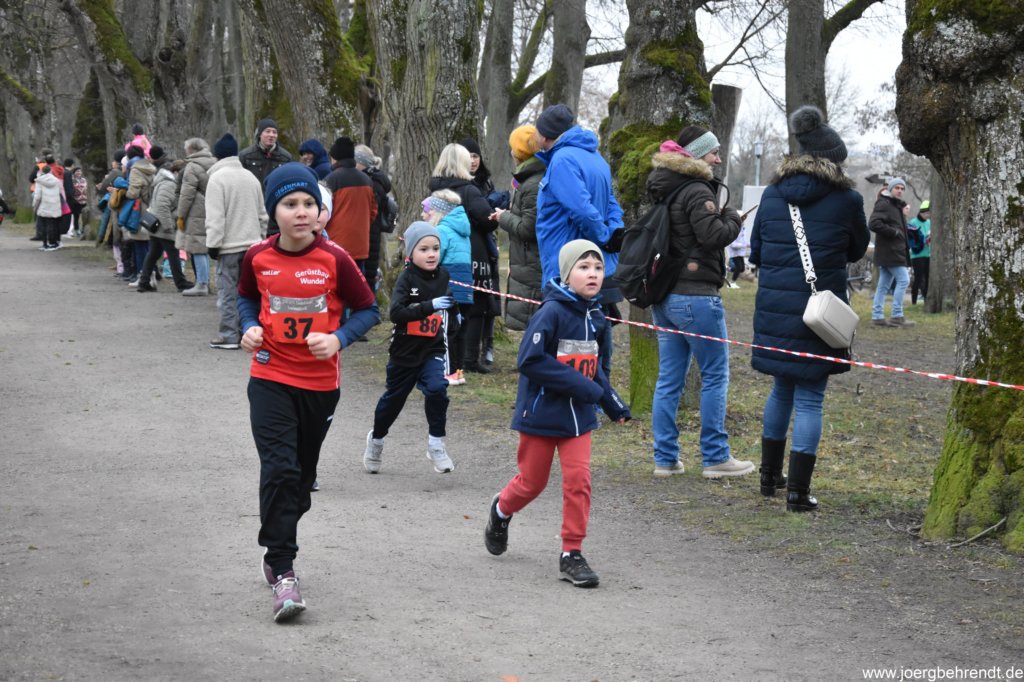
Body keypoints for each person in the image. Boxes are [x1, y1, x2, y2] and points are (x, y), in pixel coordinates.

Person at [237, 163, 379, 622]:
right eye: (290, 204)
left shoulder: (335, 259)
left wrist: (338, 339)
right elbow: (246, 298)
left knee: (299, 483)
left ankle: (277, 542)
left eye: (309, 204)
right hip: (270, 376)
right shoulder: (256, 257)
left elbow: (369, 309)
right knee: (280, 468)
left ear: (320, 213)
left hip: (319, 386)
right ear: (273, 212)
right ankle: (283, 568)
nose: (301, 212)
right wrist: (249, 326)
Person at [483, 240, 630, 588]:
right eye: (584, 267)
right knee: (532, 483)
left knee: (579, 481)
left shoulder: (596, 315)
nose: (593, 274)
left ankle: (571, 553)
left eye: (598, 267)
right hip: (542, 414)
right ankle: (501, 510)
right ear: (566, 275)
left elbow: (591, 367)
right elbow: (530, 361)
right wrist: (586, 389)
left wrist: (611, 402)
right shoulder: (550, 312)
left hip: (579, 419)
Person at [750, 104, 870, 511]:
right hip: (818, 312)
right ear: (834, 160)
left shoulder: (772, 194)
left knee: (781, 388)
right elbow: (856, 249)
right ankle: (798, 492)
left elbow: (756, 251)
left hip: (774, 309)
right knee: (810, 399)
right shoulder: (848, 200)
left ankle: (769, 477)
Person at [646, 131, 750, 479]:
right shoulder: (696, 189)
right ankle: (716, 457)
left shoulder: (667, 186)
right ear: (697, 155)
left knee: (669, 379)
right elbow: (712, 236)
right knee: (715, 374)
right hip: (696, 297)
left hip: (665, 296)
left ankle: (665, 458)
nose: (718, 159)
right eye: (713, 153)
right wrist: (732, 217)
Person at [533, 104, 625, 380]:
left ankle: (580, 390)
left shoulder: (563, 160)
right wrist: (614, 232)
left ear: (546, 134)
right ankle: (600, 388)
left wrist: (605, 236)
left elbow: (581, 208)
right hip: (596, 263)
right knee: (598, 328)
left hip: (569, 263)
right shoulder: (596, 158)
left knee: (572, 336)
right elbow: (612, 203)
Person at [364, 221, 458, 475]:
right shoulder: (406, 279)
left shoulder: (443, 275)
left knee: (437, 389)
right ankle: (376, 439)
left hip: (432, 348)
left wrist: (455, 314)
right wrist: (429, 306)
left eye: (435, 248)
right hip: (405, 352)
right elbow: (396, 313)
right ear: (411, 253)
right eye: (424, 249)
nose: (431, 254)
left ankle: (436, 444)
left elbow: (448, 300)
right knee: (393, 401)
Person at [428, 143, 498, 374]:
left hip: (440, 251)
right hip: (470, 253)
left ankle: (443, 352)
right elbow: (487, 219)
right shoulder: (469, 190)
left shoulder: (434, 188)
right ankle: (468, 358)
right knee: (474, 306)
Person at [205, 133, 269, 349]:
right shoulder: (251, 178)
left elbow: (215, 217)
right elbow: (262, 215)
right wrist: (260, 239)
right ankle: (248, 331)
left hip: (229, 245)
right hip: (252, 245)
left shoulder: (217, 179)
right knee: (248, 292)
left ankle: (228, 334)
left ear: (217, 156)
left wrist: (213, 244)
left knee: (227, 291)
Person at [491, 124, 545, 331]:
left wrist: (503, 217)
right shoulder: (529, 179)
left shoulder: (532, 183)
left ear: (519, 152)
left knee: (535, 326)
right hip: (527, 263)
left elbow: (527, 228)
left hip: (532, 264)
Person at [461, 137, 505, 366]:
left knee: (489, 299)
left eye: (476, 155)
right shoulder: (462, 186)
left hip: (487, 246)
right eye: (468, 156)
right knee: (474, 301)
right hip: (469, 246)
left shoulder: (485, 183)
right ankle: (470, 352)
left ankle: (488, 344)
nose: (473, 160)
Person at [422, 189, 473, 385]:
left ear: (437, 211)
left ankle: (448, 371)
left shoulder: (441, 230)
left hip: (448, 288)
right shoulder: (462, 230)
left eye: (426, 210)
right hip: (465, 289)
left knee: (446, 332)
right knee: (460, 331)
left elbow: (435, 259)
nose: (423, 215)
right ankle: (459, 371)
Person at [136, 147, 193, 292]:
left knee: (153, 254)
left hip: (157, 225)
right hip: (163, 226)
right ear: (177, 172)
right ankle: (180, 283)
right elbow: (162, 206)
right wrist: (169, 226)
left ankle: (144, 282)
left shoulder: (165, 182)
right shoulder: (169, 184)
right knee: (173, 255)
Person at [324, 137, 377, 278]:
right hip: (361, 246)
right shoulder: (366, 180)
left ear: (335, 158)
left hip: (336, 245)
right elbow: (373, 211)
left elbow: (323, 212)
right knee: (357, 285)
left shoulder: (331, 180)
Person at [869, 177, 915, 327]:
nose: (900, 191)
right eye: (897, 188)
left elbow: (899, 229)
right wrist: (893, 232)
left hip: (894, 251)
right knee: (904, 280)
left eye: (902, 188)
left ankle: (877, 317)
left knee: (883, 286)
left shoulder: (896, 206)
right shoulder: (884, 203)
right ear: (890, 189)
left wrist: (903, 219)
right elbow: (873, 223)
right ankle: (897, 315)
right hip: (891, 252)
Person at [177, 138, 217, 297]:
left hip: (196, 211)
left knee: (198, 248)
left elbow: (186, 194)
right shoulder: (215, 163)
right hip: (213, 208)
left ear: (191, 150)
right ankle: (207, 281)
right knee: (207, 247)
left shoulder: (192, 166)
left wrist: (181, 215)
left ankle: (201, 283)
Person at [355, 144, 395, 292]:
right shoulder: (377, 180)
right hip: (372, 235)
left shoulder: (370, 183)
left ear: (361, 163)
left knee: (366, 278)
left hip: (368, 235)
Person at [124, 146, 157, 286]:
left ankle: (142, 276)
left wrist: (125, 193)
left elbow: (133, 192)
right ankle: (152, 274)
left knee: (139, 244)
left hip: (139, 210)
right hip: (150, 208)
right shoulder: (151, 168)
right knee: (148, 244)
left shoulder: (135, 169)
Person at [238, 118, 292, 188]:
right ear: (260, 134)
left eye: (274, 132)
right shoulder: (245, 156)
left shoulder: (285, 157)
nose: (271, 135)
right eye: (268, 131)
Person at [32, 166, 63, 250]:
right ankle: (53, 243)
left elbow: (37, 196)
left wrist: (34, 206)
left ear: (42, 171)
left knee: (43, 226)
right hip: (54, 206)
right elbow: (60, 192)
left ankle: (45, 243)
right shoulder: (56, 181)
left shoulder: (39, 181)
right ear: (50, 171)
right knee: (53, 225)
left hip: (44, 206)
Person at [908, 200, 931, 305]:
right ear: (922, 212)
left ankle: (926, 300)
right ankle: (914, 301)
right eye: (927, 213)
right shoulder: (913, 222)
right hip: (917, 256)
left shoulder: (929, 222)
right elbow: (912, 240)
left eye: (929, 213)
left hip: (928, 254)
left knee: (927, 278)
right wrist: (924, 239)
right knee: (918, 278)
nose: (928, 215)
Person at [70, 167, 88, 239]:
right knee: (76, 216)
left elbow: (86, 187)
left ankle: (83, 229)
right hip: (76, 200)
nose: (79, 173)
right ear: (74, 172)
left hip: (84, 200)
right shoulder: (72, 180)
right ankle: (76, 229)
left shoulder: (84, 179)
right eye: (77, 171)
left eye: (80, 171)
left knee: (84, 216)